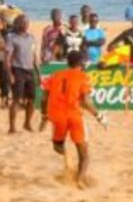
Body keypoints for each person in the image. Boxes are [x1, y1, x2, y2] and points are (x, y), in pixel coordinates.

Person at [43, 51, 105, 189]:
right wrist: (98, 115)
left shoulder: (55, 75)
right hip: (74, 115)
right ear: (81, 63)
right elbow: (86, 101)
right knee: (84, 153)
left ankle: (67, 158)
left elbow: (43, 97)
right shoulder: (83, 76)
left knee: (57, 145)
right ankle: (80, 179)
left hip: (57, 115)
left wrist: (44, 115)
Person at [5, 15, 40, 134]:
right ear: (18, 24)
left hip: (30, 71)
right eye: (23, 22)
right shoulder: (12, 38)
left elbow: (35, 57)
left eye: (27, 22)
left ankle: (27, 123)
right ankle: (12, 127)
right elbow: (7, 58)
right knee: (16, 99)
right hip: (18, 70)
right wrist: (10, 74)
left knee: (32, 99)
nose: (26, 24)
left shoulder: (31, 38)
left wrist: (38, 74)